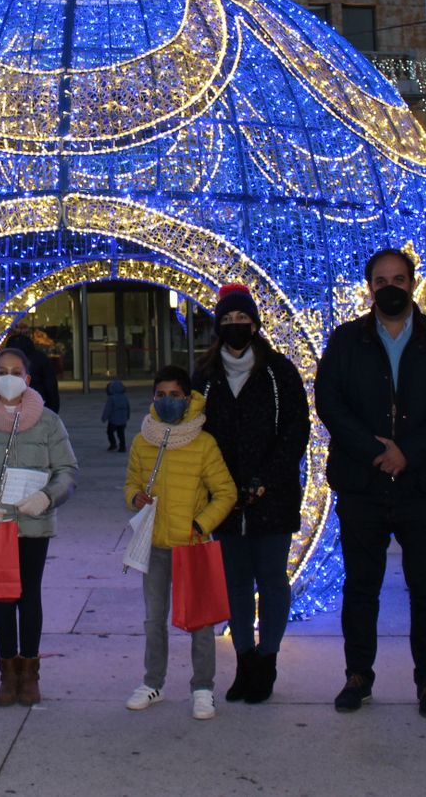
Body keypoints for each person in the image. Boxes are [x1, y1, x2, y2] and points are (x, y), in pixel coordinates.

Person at [316, 248, 426, 719]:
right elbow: (330, 403)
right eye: (381, 280)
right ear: (369, 287)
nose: (390, 287)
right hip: (363, 485)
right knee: (360, 588)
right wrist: (375, 451)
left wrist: (409, 451)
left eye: (399, 279)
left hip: (425, 485)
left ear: (413, 284)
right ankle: (358, 676)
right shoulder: (346, 341)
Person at [193, 283, 309, 705]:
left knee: (273, 581)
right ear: (217, 326)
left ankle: (268, 660)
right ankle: (244, 661)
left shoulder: (280, 372)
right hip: (224, 502)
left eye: (242, 319)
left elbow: (297, 430)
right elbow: (194, 434)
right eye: (227, 320)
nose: (235, 326)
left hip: (272, 498)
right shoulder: (205, 377)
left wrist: (266, 478)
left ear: (255, 324)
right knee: (237, 585)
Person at [0, 347, 78, 707]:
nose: (9, 377)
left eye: (16, 371)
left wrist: (48, 497)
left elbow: (67, 470)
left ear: (28, 378)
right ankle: (8, 673)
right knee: (3, 597)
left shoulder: (48, 421)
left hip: (34, 523)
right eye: (2, 371)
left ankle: (30, 672)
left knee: (29, 595)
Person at [123, 366, 237, 720]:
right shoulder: (144, 440)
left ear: (188, 398)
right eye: (161, 394)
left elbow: (225, 492)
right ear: (152, 397)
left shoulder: (203, 442)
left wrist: (200, 524)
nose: (167, 401)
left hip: (192, 545)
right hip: (155, 546)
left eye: (175, 395)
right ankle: (152, 682)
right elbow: (131, 483)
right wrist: (135, 498)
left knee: (200, 622)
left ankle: (203, 688)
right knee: (154, 619)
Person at [4, 330, 60, 412]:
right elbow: (51, 386)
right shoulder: (40, 358)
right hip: (38, 403)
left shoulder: (2, 360)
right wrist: (53, 408)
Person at [101, 378, 131, 452]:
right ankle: (122, 446)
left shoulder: (111, 398)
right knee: (121, 434)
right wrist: (127, 416)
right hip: (123, 420)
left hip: (113, 421)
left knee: (110, 432)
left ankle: (113, 444)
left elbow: (108, 409)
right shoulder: (124, 397)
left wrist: (104, 417)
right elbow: (128, 408)